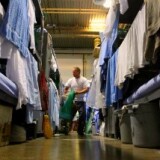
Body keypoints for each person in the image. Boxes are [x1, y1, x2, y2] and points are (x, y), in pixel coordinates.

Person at [64, 67, 90, 136]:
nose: (72, 73)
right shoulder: (71, 80)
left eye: (74, 72)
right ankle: (67, 130)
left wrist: (78, 92)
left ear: (78, 72)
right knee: (69, 115)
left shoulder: (84, 80)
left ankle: (80, 131)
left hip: (81, 101)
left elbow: (87, 89)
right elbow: (66, 87)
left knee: (82, 116)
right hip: (72, 101)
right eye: (72, 72)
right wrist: (66, 92)